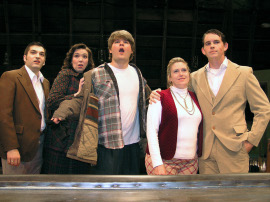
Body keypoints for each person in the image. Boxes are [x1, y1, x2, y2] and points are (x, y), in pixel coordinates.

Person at [150, 29, 270, 174]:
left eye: (216, 42)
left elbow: (264, 109)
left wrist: (251, 140)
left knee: (234, 196)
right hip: (205, 153)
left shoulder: (244, 74)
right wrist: (156, 94)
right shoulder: (194, 77)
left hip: (235, 148)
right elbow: (176, 92)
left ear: (225, 46)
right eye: (208, 43)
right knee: (208, 196)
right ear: (203, 50)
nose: (212, 46)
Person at [52, 30, 151, 175]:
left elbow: (149, 98)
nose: (121, 44)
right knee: (107, 192)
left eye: (126, 42)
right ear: (110, 49)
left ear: (131, 50)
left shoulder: (138, 73)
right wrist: (62, 112)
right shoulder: (95, 74)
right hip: (107, 145)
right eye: (117, 42)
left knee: (130, 193)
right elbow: (81, 99)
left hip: (133, 145)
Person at [42, 43, 95, 174]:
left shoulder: (92, 79)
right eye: (77, 56)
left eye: (84, 56)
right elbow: (52, 102)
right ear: (71, 59)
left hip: (80, 137)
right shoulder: (65, 75)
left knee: (79, 179)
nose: (81, 59)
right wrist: (76, 94)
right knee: (57, 178)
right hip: (61, 138)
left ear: (89, 61)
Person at [145, 57, 203, 175]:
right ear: (169, 77)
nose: (181, 74)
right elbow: (151, 131)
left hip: (190, 162)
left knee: (186, 194)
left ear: (189, 74)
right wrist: (157, 163)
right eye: (176, 71)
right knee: (163, 194)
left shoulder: (196, 97)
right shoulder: (159, 97)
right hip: (164, 161)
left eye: (184, 70)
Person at [0, 42, 49, 174]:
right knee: (14, 191)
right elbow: (3, 115)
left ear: (44, 61)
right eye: (33, 53)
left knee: (33, 190)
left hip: (38, 146)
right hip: (17, 147)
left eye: (41, 54)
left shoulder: (45, 83)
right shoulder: (10, 77)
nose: (37, 56)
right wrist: (11, 147)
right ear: (25, 57)